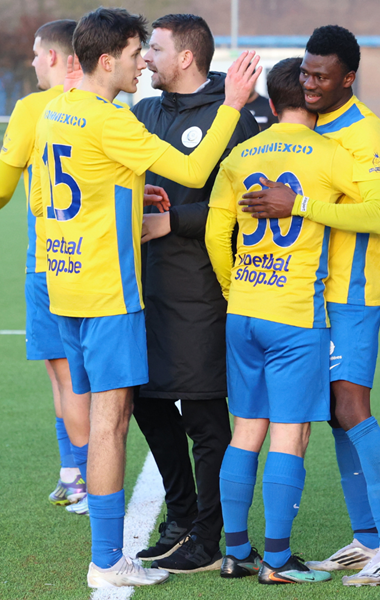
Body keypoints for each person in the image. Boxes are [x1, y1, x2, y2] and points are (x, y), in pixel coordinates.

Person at [29, 7, 259, 587]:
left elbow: (39, 201)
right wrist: (232, 105)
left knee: (143, 415)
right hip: (114, 294)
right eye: (137, 52)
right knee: (116, 421)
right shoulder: (116, 118)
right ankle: (108, 558)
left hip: (73, 289)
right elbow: (194, 164)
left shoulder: (53, 110)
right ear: (109, 61)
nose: (142, 62)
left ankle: (191, 533)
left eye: (150, 51)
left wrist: (130, 198)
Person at [206, 56, 380, 586]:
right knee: (289, 433)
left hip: (243, 311)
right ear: (310, 97)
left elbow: (214, 235)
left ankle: (234, 552)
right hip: (297, 314)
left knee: (245, 430)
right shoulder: (327, 153)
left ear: (269, 105)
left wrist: (234, 287)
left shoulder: (238, 155)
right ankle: (277, 562)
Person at [129, 14, 259, 574]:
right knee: (146, 402)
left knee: (205, 414)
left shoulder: (234, 116)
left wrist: (173, 220)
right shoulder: (144, 113)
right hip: (143, 285)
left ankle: (212, 533)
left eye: (154, 48)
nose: (146, 58)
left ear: (185, 57)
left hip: (204, 287)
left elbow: (252, 206)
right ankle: (182, 517)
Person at [0, 20, 93, 515]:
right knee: (70, 375)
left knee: (67, 377)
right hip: (95, 264)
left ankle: (89, 480)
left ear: (55, 58)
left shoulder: (33, 108)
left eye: (37, 54)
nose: (33, 62)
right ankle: (73, 472)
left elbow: (1, 189)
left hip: (50, 263)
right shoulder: (104, 107)